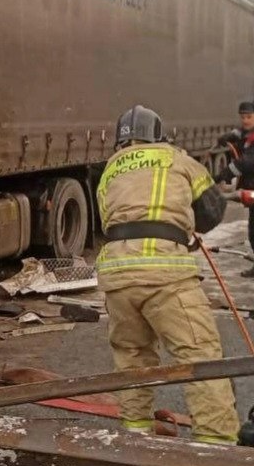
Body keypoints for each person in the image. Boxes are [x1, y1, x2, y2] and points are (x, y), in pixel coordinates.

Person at [95, 104, 239, 443]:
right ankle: (216, 446)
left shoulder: (110, 170)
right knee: (199, 358)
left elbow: (109, 222)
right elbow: (212, 212)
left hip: (117, 275)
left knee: (132, 359)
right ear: (158, 134)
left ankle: (135, 437)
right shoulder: (177, 158)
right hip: (166, 273)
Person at [217, 100, 254, 282]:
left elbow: (246, 162)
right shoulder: (252, 131)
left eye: (249, 117)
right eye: (242, 117)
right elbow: (241, 133)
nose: (245, 120)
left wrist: (222, 175)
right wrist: (230, 136)